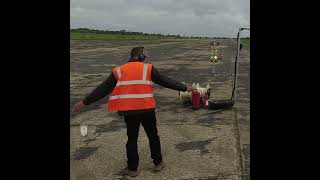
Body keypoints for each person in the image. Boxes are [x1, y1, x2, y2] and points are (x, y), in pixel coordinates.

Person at [73, 46, 193, 177]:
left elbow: (103, 88)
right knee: (153, 136)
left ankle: (132, 169)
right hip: (147, 109)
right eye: (145, 55)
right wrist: (185, 87)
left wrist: (85, 102)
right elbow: (165, 81)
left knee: (132, 139)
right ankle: (158, 163)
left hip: (129, 111)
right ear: (140, 56)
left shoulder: (118, 70)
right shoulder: (148, 68)